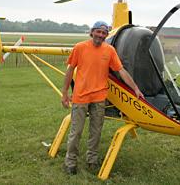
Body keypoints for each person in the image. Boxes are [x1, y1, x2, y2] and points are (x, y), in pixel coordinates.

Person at [61, 21, 144, 175]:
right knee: (76, 131)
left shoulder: (110, 50)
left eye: (104, 33)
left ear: (106, 35)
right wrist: (65, 93)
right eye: (98, 32)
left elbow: (121, 71)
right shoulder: (79, 48)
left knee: (96, 131)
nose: (100, 35)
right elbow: (70, 70)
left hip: (99, 98)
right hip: (80, 97)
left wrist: (135, 88)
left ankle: (92, 160)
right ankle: (70, 162)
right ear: (92, 32)